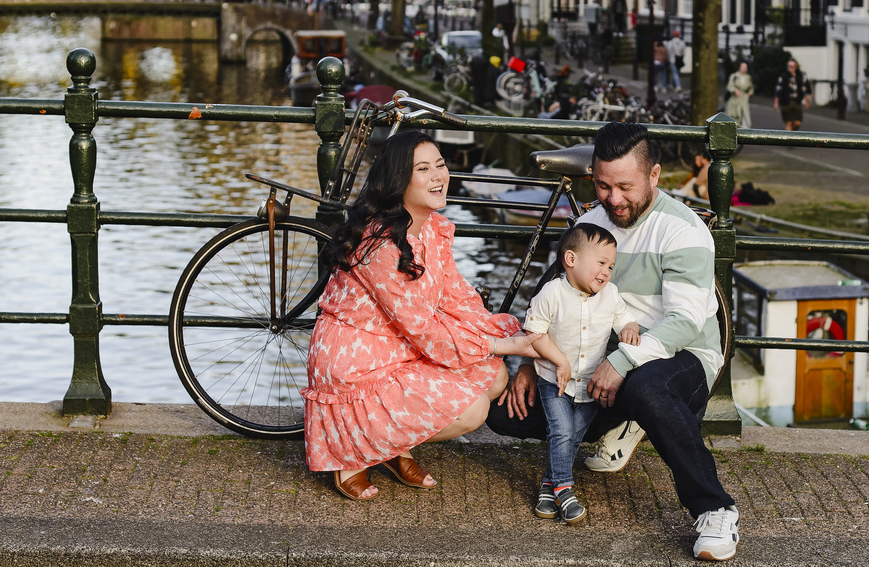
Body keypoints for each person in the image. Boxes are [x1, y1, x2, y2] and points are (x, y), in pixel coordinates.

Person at [487, 122, 739, 562]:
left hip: (683, 356)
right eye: (603, 186)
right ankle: (627, 419)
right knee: (507, 415)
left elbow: (683, 323)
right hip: (599, 357)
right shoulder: (589, 225)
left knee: (648, 388)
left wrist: (622, 362)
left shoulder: (682, 231)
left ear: (654, 176)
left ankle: (715, 508)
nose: (614, 199)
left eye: (625, 186)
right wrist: (529, 364)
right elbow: (553, 298)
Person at [302, 132, 541, 501]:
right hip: (358, 364)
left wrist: (513, 332)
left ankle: (393, 445)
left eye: (440, 165)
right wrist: (506, 345)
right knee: (474, 410)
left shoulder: (432, 228)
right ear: (400, 181)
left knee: (494, 376)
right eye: (424, 169)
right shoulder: (379, 245)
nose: (438, 176)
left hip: (401, 348)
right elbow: (425, 331)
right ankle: (353, 455)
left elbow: (457, 298)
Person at [523, 223, 641, 526]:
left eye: (610, 266)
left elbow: (625, 319)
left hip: (590, 383)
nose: (606, 272)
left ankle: (548, 486)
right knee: (562, 430)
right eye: (601, 262)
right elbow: (534, 333)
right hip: (554, 380)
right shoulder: (552, 293)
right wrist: (560, 360)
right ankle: (564, 489)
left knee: (573, 435)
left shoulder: (610, 294)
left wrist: (629, 328)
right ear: (571, 260)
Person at [773, 58, 812, 131]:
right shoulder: (783, 77)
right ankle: (787, 137)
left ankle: (793, 134)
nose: (791, 68)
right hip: (786, 102)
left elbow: (804, 88)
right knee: (788, 123)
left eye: (792, 66)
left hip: (797, 101)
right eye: (789, 66)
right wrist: (776, 102)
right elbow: (778, 90)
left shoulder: (799, 76)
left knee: (798, 123)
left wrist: (807, 100)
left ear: (795, 67)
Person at [725, 62, 754, 128]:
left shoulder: (748, 77)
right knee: (733, 116)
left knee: (745, 117)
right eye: (742, 67)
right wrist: (735, 90)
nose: (743, 68)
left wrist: (749, 93)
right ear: (740, 67)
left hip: (744, 99)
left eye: (745, 67)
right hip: (734, 99)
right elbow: (729, 86)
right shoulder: (734, 76)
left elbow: (751, 87)